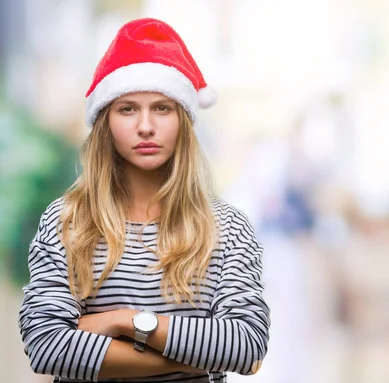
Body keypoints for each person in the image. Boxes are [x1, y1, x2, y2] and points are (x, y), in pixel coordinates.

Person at [18, 18, 270, 383]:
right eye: (128, 109)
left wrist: (123, 321)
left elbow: (246, 345)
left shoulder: (227, 227)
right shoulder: (67, 221)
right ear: (106, 122)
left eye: (163, 108)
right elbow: (46, 346)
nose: (146, 126)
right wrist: (196, 354)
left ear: (183, 120)